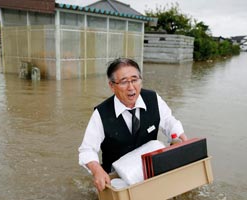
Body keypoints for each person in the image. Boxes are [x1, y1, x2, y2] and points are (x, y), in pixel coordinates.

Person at [78, 58, 188, 191]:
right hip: (117, 179)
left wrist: (181, 139)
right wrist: (97, 171)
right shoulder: (101, 113)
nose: (131, 87)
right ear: (112, 86)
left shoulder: (153, 99)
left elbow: (169, 122)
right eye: (124, 82)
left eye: (135, 80)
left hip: (149, 172)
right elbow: (87, 149)